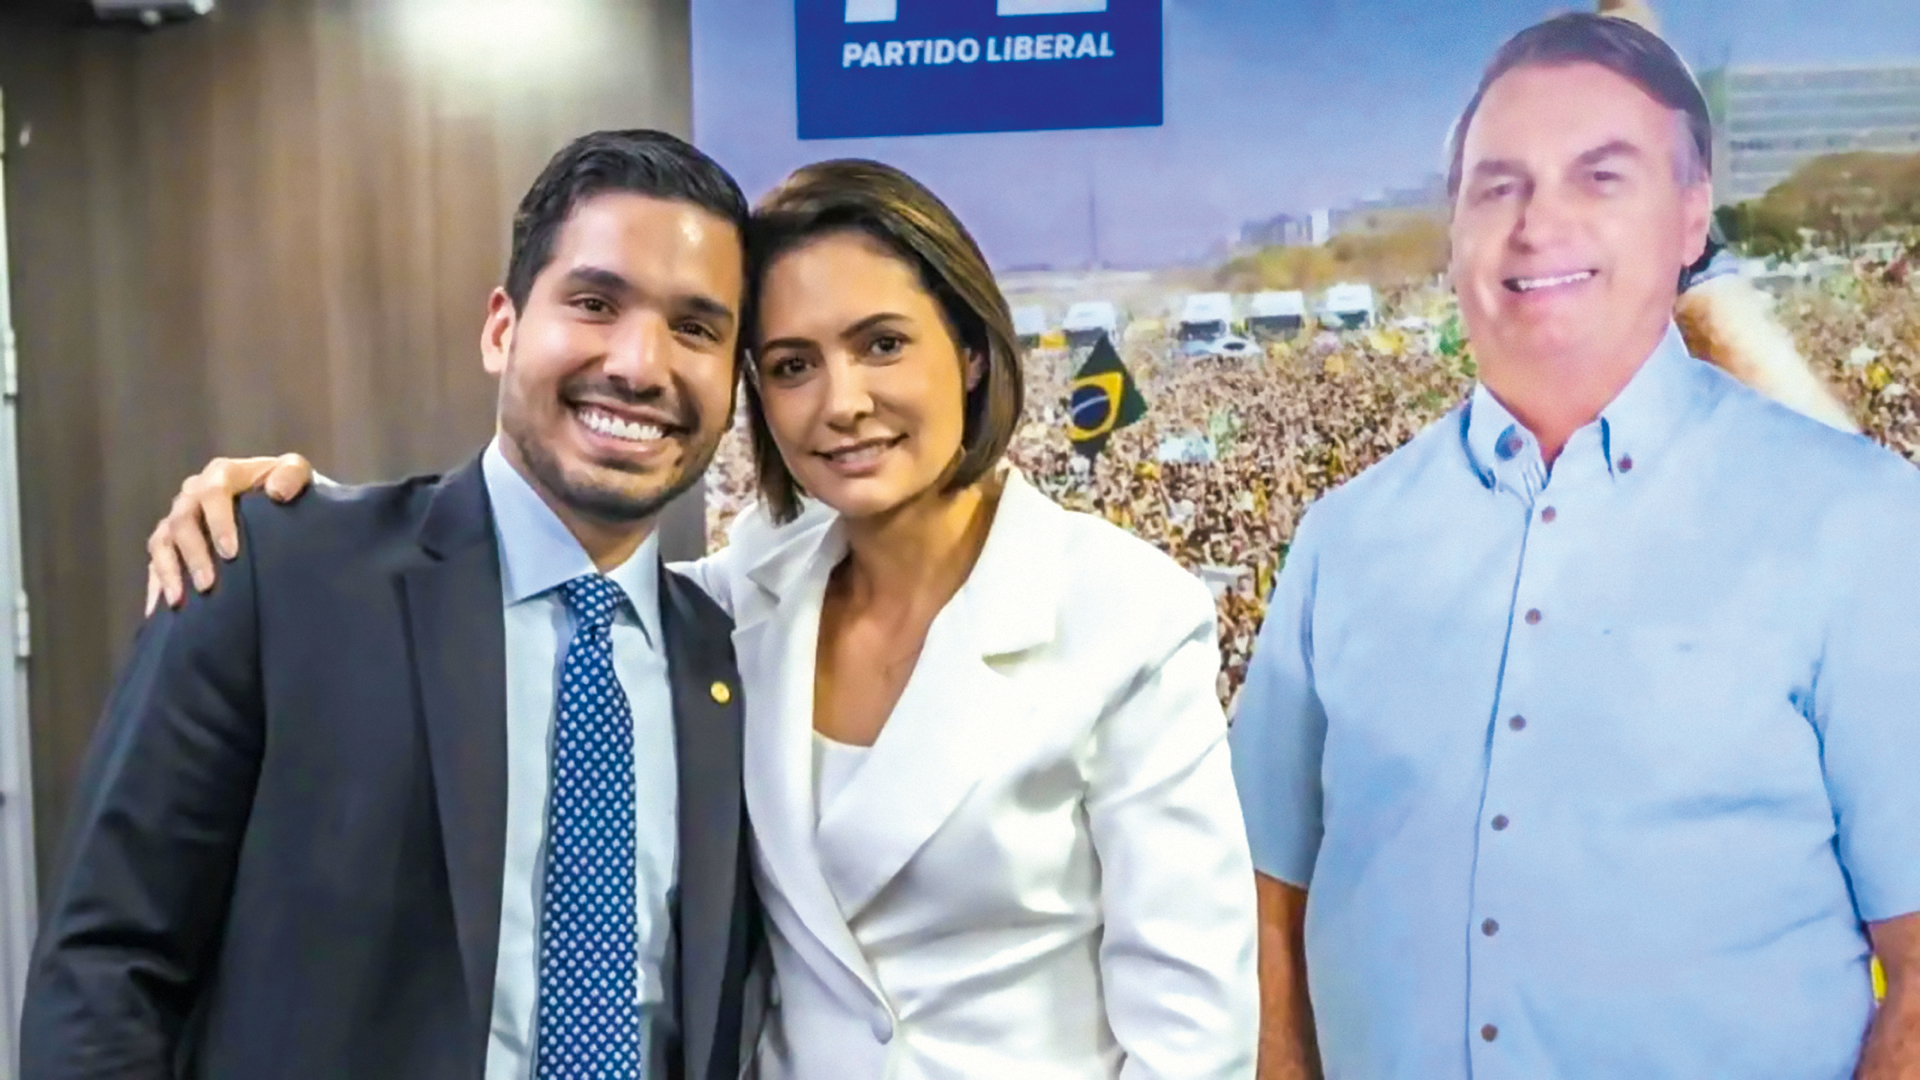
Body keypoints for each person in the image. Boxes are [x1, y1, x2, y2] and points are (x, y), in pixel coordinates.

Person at [140, 160, 1261, 1077]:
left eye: (882, 344)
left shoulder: (1122, 613)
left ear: (969, 351)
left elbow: (1192, 1033)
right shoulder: (730, 606)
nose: (843, 402)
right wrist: (282, 506)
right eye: (790, 365)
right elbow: (492, 571)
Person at [1230, 13, 1920, 1080]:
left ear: (1694, 217)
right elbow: (1272, 916)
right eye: (1497, 186)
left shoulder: (1859, 522)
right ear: (1454, 230)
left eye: (1601, 176)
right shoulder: (1345, 541)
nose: (1537, 224)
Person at [21, 130, 763, 1080]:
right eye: (593, 303)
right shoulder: (276, 572)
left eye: (696, 328)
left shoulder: (731, 657)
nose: (639, 363)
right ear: (502, 327)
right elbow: (107, 967)